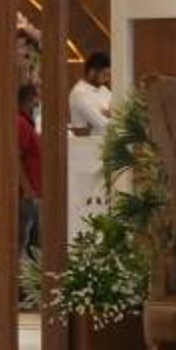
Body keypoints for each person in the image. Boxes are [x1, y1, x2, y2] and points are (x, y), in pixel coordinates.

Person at [66, 49, 115, 226]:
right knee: (91, 200)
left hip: (108, 148)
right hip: (88, 151)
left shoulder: (104, 90)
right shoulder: (79, 93)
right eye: (104, 75)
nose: (107, 79)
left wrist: (109, 114)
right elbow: (101, 123)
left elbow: (119, 113)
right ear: (92, 72)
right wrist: (108, 114)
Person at [15, 81, 45, 259]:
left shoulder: (28, 123)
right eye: (37, 98)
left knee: (34, 238)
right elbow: (15, 156)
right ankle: (17, 272)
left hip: (35, 190)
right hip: (29, 192)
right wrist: (26, 187)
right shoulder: (21, 123)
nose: (39, 102)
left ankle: (33, 272)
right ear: (29, 99)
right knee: (23, 236)